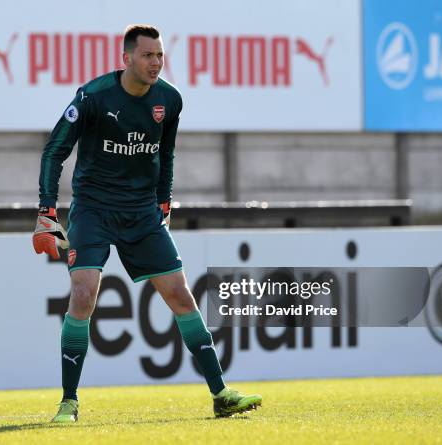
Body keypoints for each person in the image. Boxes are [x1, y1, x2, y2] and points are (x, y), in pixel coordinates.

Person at [33, 24, 262, 423]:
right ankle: (68, 402)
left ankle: (221, 394)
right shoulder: (93, 97)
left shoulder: (169, 100)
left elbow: (166, 153)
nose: (155, 62)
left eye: (159, 55)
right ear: (126, 59)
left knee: (181, 296)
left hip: (142, 212)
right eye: (147, 55)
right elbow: (55, 151)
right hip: (94, 209)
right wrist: (47, 210)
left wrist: (164, 198)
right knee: (83, 294)